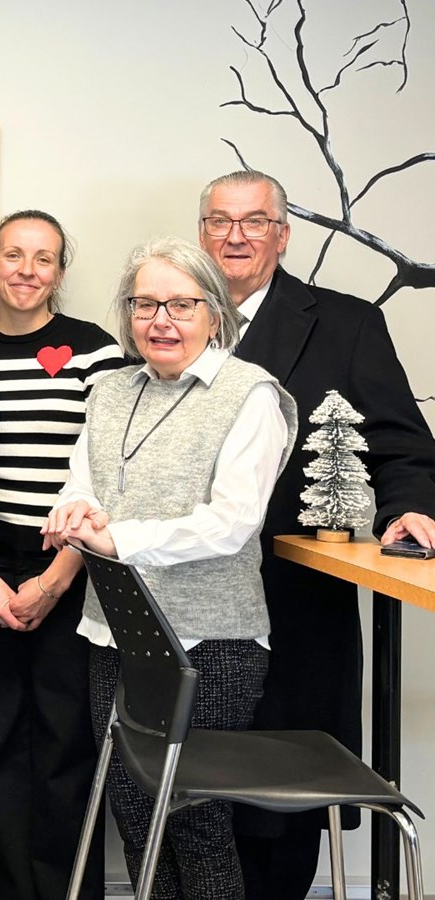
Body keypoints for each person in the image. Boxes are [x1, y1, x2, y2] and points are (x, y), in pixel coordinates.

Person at [195, 170, 435, 899]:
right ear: (201, 231)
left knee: (281, 804)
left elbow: (404, 446)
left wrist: (412, 509)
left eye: (254, 221)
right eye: (219, 221)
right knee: (193, 796)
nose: (236, 236)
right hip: (187, 600)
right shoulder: (168, 314)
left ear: (282, 233)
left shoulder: (347, 322)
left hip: (295, 601)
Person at [43, 236, 298, 899]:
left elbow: (234, 522)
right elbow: (83, 482)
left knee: (194, 819)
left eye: (181, 304)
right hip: (115, 632)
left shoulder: (252, 395)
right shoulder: (109, 390)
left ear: (214, 312)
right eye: (145, 303)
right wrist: (73, 513)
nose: (162, 320)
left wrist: (114, 539)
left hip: (211, 641)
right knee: (132, 812)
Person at [0, 210, 123, 900]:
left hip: (75, 563)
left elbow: (113, 472)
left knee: (67, 746)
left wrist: (59, 580)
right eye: (14, 255)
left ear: (61, 271)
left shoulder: (94, 351)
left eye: (44, 258)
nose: (27, 270)